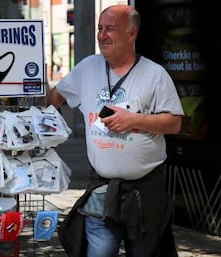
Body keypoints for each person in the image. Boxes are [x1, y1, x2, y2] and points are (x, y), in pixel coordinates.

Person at [47, 4, 184, 257]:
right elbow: (53, 98)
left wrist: (134, 120)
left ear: (131, 34)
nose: (101, 35)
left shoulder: (155, 74)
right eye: (100, 28)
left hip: (145, 193)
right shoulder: (86, 68)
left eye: (110, 29)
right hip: (102, 189)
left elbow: (174, 122)